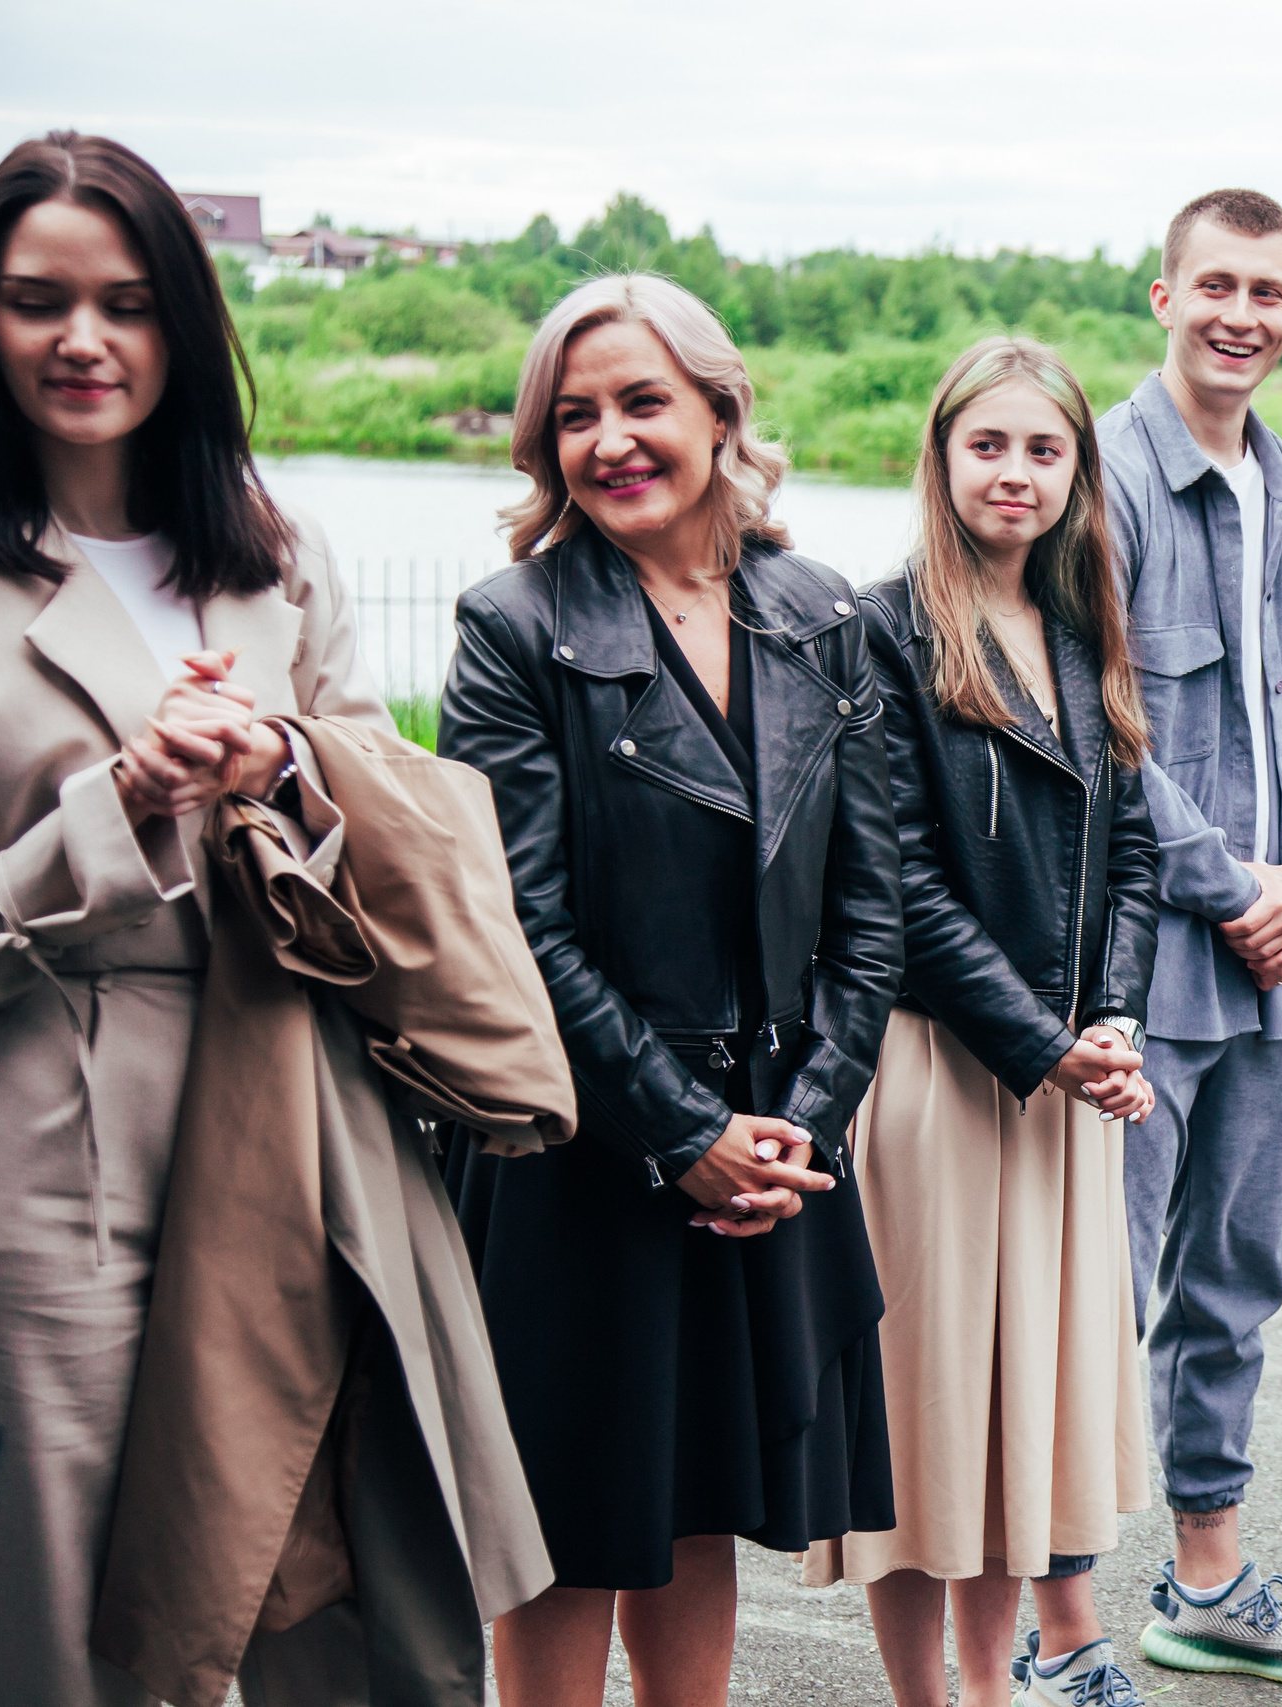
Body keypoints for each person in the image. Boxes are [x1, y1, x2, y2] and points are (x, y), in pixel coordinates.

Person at [0, 132, 397, 1705]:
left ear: (184, 326)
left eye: (128, 301)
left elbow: (391, 841)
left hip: (285, 1126)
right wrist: (122, 804)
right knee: (49, 1624)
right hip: (44, 1163)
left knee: (310, 1597)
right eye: (35, 299)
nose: (83, 339)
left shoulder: (278, 557)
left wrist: (285, 770)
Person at [439, 273, 903, 1706]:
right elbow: (520, 920)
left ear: (720, 410)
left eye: (643, 401)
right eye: (574, 415)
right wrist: (678, 1131)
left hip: (772, 1144)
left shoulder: (822, 612)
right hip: (581, 1149)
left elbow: (870, 915)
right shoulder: (512, 624)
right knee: (573, 1537)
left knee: (702, 1509)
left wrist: (801, 1129)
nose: (611, 439)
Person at [807, 336, 1161, 1707]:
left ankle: (996, 1684)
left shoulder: (1087, 640)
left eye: (1044, 449)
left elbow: (1129, 857)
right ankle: (924, 1698)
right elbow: (891, 877)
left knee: (1026, 1419)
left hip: (1068, 1081)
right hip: (937, 1071)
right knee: (932, 1412)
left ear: (1077, 473)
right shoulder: (878, 629)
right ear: (943, 459)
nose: (1015, 473)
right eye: (989, 445)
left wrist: (1113, 1018)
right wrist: (1039, 1036)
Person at [1096, 188, 1282, 1686]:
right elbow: (1097, 716)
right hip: (1151, 950)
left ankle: (1207, 1579)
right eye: (1217, 285)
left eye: (1269, 292)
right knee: (1103, 1275)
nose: (1241, 315)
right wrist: (1230, 886)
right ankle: (1053, 1599)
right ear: (1163, 295)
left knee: (1238, 1270)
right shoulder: (1103, 475)